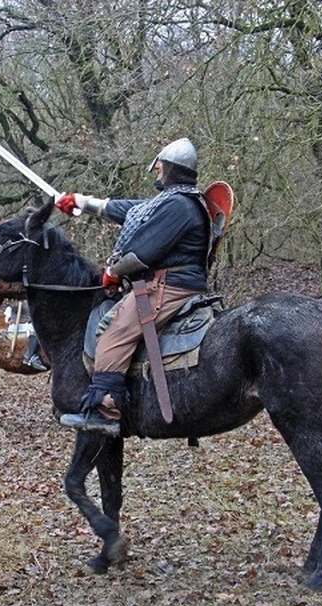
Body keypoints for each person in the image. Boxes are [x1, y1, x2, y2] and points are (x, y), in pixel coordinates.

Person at [54, 138, 211, 435]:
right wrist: (80, 201)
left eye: (159, 168)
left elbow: (142, 253)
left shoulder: (179, 205)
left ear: (168, 169)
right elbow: (126, 210)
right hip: (163, 282)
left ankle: (108, 408)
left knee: (114, 332)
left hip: (169, 287)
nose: (156, 173)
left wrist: (113, 271)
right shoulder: (171, 202)